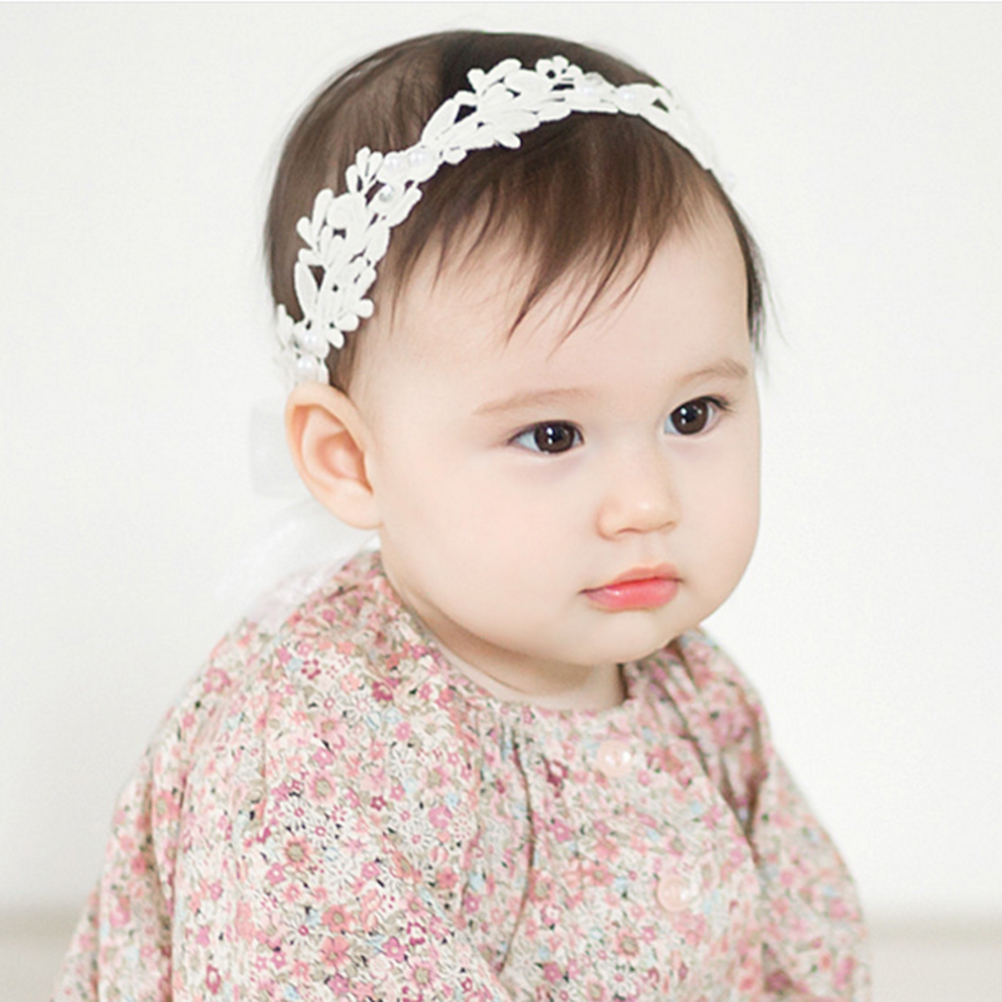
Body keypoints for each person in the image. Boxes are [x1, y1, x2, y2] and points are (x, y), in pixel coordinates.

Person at [55, 29, 870, 1001]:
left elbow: (805, 936)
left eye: (692, 415)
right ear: (351, 459)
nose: (647, 503)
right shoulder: (325, 741)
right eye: (553, 436)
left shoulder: (695, 691)